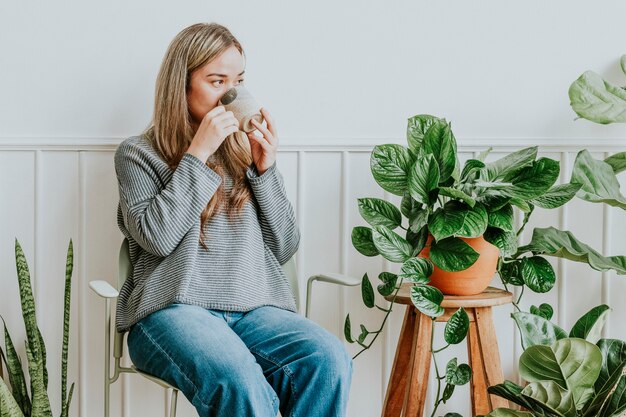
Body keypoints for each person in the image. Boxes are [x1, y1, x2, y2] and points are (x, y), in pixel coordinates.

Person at [113, 22, 353, 417]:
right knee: (236, 377)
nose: (231, 93)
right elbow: (157, 237)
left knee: (327, 360)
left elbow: (284, 246)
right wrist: (197, 155)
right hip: (170, 310)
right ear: (181, 85)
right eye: (216, 80)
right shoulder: (138, 154)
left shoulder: (243, 152)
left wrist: (266, 169)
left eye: (238, 80)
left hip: (255, 309)